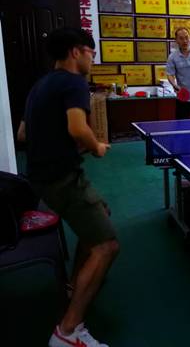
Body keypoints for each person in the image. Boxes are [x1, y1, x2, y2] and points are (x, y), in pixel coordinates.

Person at [19, 28, 118, 347]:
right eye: (91, 53)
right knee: (107, 246)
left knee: (102, 212)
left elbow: (23, 134)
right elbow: (77, 128)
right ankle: (68, 331)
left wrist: (56, 144)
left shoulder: (41, 84)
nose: (93, 59)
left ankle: (75, 285)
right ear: (76, 52)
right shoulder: (74, 83)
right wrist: (96, 146)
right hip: (62, 179)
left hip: (39, 178)